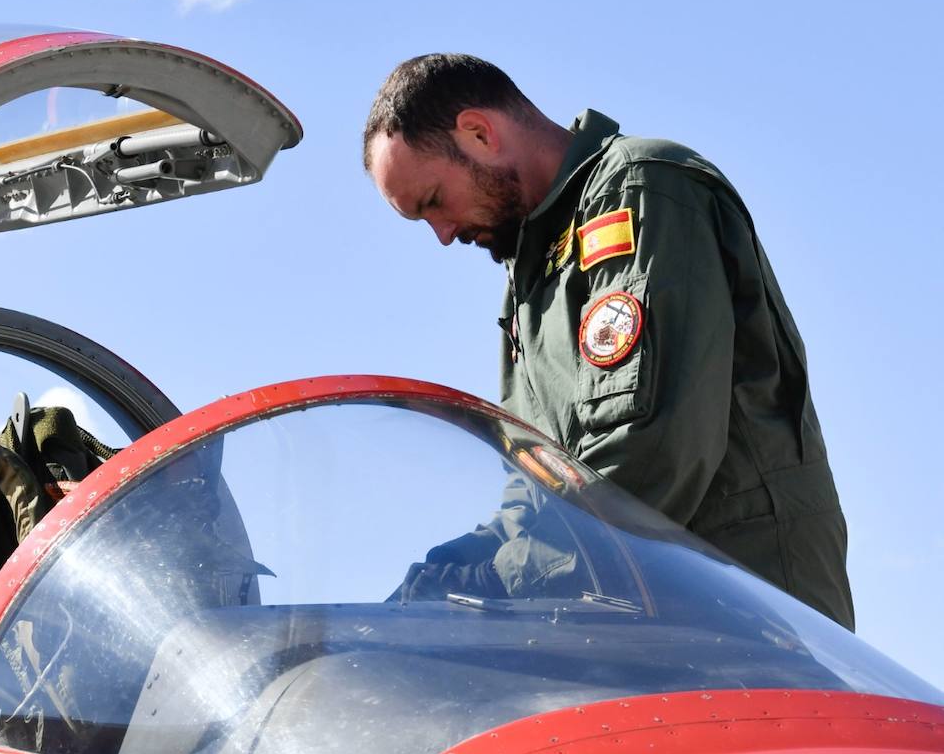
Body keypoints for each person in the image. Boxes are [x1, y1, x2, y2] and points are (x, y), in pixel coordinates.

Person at [363, 53, 853, 629]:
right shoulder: (530, 275)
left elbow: (649, 445)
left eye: (432, 202)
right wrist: (458, 566)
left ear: (479, 133)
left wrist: (501, 579)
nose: (443, 235)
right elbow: (541, 483)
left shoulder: (640, 191)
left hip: (750, 621)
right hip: (653, 622)